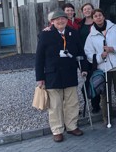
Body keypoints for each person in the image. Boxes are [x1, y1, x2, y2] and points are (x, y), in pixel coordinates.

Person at [35, 10, 87, 142]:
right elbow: (39, 58)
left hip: (70, 73)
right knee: (55, 105)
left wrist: (83, 68)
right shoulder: (45, 35)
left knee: (72, 103)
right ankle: (57, 130)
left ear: (66, 20)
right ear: (52, 21)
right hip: (53, 74)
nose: (60, 21)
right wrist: (40, 78)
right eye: (57, 19)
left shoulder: (73, 33)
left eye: (63, 19)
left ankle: (71, 126)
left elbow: (80, 53)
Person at [84, 9, 116, 125]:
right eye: (95, 16)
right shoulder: (91, 35)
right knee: (105, 94)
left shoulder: (115, 28)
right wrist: (100, 56)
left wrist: (112, 49)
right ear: (93, 19)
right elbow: (88, 53)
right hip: (103, 68)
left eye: (100, 15)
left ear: (104, 16)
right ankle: (106, 116)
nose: (98, 18)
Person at [78, 2, 101, 114]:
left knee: (95, 79)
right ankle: (93, 100)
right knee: (87, 80)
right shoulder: (80, 24)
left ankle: (96, 105)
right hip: (84, 58)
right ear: (82, 11)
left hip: (96, 57)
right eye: (85, 9)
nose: (87, 11)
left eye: (89, 9)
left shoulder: (98, 22)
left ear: (93, 10)